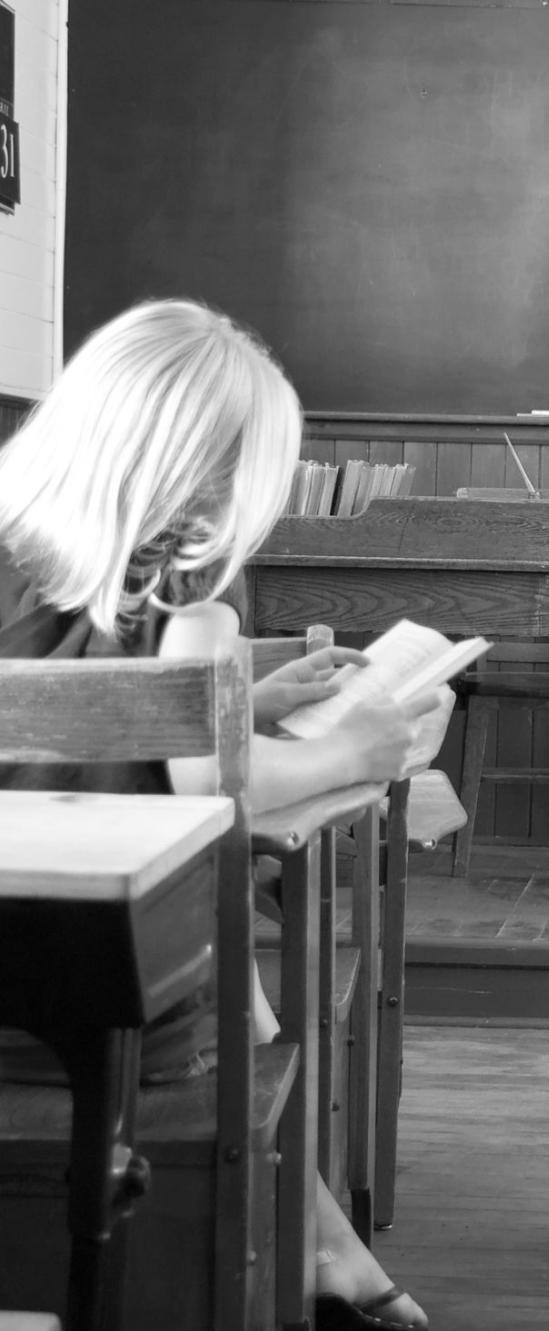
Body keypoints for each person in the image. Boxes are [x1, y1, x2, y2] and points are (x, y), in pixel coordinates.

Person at [0, 298, 443, 1331]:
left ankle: (326, 1242)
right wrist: (353, 748)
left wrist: (246, 688)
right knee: (219, 915)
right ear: (206, 489)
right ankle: (319, 1244)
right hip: (112, 1022)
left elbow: (78, 692)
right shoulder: (190, 611)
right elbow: (213, 786)